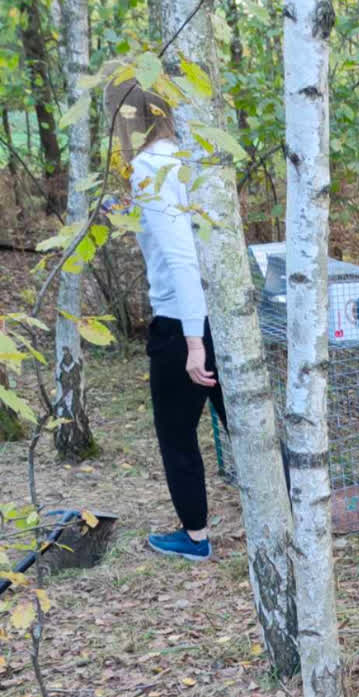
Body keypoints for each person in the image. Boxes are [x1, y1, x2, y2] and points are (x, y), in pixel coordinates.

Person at [107, 78, 225, 561]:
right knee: (241, 423)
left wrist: (193, 343)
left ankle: (194, 538)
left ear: (128, 116)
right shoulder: (187, 157)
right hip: (220, 314)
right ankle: (295, 509)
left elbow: (181, 260)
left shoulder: (148, 166)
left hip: (181, 323)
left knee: (176, 437)